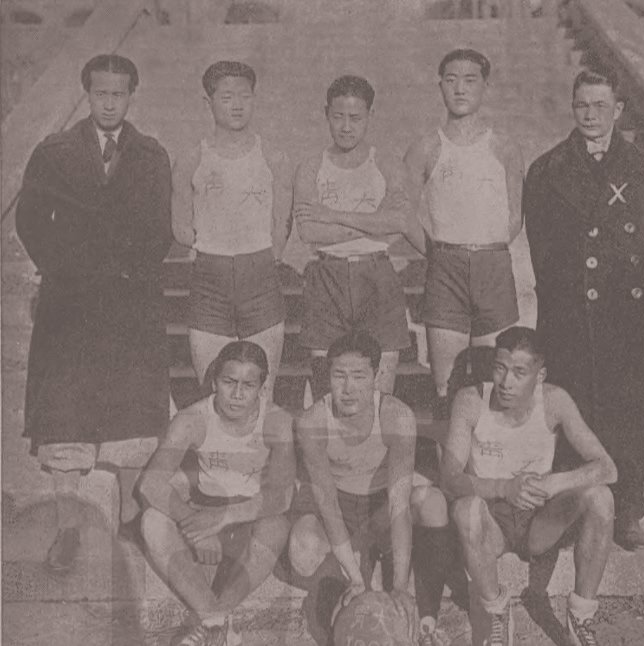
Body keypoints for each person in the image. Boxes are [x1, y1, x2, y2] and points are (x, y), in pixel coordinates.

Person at [15, 54, 172, 571]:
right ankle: (67, 528)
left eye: (118, 93)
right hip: (70, 308)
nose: (109, 103)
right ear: (87, 94)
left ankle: (130, 520)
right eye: (100, 93)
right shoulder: (54, 151)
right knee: (65, 419)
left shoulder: (150, 155)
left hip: (128, 307)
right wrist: (64, 269)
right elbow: (30, 219)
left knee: (132, 415)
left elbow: (160, 228)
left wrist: (128, 272)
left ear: (131, 95)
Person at [524, 67, 644, 551]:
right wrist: (563, 300)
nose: (590, 115)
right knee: (575, 408)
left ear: (618, 110)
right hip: (571, 312)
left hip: (625, 312)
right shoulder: (547, 169)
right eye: (582, 105)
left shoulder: (641, 167)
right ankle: (572, 508)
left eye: (600, 106)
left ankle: (629, 510)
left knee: (631, 410)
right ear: (572, 107)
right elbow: (542, 250)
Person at [440, 326, 617, 646]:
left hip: (539, 522)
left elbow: (607, 468)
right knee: (465, 509)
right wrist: (503, 488)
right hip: (491, 522)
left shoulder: (554, 400)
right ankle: (497, 612)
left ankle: (580, 618)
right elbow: (450, 478)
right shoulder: (471, 400)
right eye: (500, 368)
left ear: (540, 374)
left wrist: (555, 482)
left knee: (601, 498)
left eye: (519, 373)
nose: (506, 382)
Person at [139, 341, 295, 646]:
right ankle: (216, 620)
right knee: (152, 521)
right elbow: (150, 484)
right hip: (204, 507)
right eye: (229, 382)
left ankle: (212, 619)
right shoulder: (192, 419)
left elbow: (282, 496)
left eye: (248, 385)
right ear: (214, 382)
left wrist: (223, 518)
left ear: (262, 388)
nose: (237, 394)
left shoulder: (277, 421)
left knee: (277, 526)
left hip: (250, 514)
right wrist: (194, 525)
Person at [288, 331, 434, 646]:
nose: (348, 388)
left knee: (430, 501)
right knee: (303, 551)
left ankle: (416, 611)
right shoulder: (313, 421)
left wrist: (400, 586)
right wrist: (354, 577)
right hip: (337, 502)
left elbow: (399, 505)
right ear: (327, 377)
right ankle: (347, 579)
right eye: (339, 376)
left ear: (377, 376)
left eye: (359, 376)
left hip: (380, 505)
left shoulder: (397, 416)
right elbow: (327, 504)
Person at [404, 49, 524, 420]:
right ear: (439, 85)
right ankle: (450, 458)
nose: (460, 89)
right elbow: (404, 214)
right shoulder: (425, 147)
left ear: (486, 86)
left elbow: (515, 217)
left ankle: (487, 456)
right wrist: (440, 254)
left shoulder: (504, 147)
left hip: (492, 269)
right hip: (446, 271)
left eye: (470, 80)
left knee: (494, 382)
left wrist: (485, 250)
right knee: (447, 385)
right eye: (451, 80)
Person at [294, 75, 424, 400]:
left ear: (370, 116)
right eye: (338, 117)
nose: (346, 127)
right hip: (327, 275)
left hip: (376, 274)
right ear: (326, 113)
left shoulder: (387, 165)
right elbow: (309, 230)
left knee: (380, 389)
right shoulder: (311, 167)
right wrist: (375, 223)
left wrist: (333, 214)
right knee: (327, 389)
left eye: (355, 118)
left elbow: (400, 221)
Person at [171, 60, 293, 399]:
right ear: (208, 102)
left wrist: (269, 255)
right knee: (213, 390)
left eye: (245, 96)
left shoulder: (273, 157)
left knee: (261, 390)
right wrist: (211, 245)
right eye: (226, 98)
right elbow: (180, 224)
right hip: (210, 280)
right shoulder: (192, 158)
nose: (237, 105)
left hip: (260, 277)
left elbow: (282, 220)